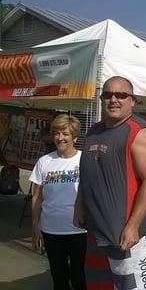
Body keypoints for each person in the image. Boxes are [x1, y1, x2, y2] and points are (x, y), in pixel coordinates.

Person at [74, 76, 146, 290]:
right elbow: (87, 173)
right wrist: (79, 204)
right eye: (107, 94)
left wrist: (133, 226)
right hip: (96, 232)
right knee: (98, 286)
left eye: (121, 95)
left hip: (129, 236)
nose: (114, 99)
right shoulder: (93, 131)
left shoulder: (141, 134)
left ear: (132, 101)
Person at [30, 114, 87, 290]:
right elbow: (36, 197)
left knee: (79, 276)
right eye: (56, 133)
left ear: (75, 137)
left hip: (80, 229)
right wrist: (35, 227)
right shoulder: (44, 162)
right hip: (51, 229)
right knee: (58, 276)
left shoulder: (85, 160)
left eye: (65, 133)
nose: (60, 138)